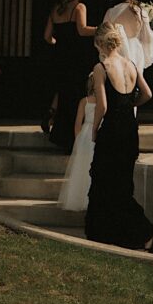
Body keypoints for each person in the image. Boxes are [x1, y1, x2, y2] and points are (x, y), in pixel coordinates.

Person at [84, 22, 153, 252]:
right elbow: (148, 94)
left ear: (100, 43)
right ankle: (124, 234)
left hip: (112, 132)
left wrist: (95, 129)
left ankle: (144, 231)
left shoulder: (101, 67)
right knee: (123, 184)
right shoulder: (131, 65)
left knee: (104, 182)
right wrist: (129, 105)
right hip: (129, 130)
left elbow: (103, 106)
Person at [43, 0, 95, 153]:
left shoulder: (55, 10)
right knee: (76, 95)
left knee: (64, 93)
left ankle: (59, 133)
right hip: (76, 57)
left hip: (60, 56)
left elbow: (47, 37)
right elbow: (82, 30)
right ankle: (73, 139)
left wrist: (58, 42)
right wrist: (103, 28)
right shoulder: (79, 7)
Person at [58, 72, 97, 212]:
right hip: (95, 132)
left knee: (84, 166)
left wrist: (78, 141)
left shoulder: (85, 101)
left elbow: (77, 124)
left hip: (86, 134)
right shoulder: (101, 101)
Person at [103, 0, 153, 72]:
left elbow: (104, 34)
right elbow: (148, 37)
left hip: (117, 51)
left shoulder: (111, 12)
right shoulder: (140, 11)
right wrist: (148, 54)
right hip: (136, 51)